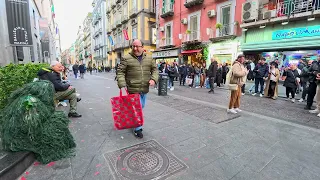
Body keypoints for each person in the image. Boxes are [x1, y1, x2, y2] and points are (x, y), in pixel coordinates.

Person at [116, 39, 158, 138]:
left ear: (142, 47)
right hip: (132, 88)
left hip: (144, 88)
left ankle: (133, 120)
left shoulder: (149, 58)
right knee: (137, 108)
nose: (135, 48)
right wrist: (122, 83)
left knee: (141, 106)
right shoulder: (126, 58)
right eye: (133, 46)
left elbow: (155, 70)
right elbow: (120, 71)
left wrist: (154, 79)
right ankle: (138, 128)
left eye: (137, 46)